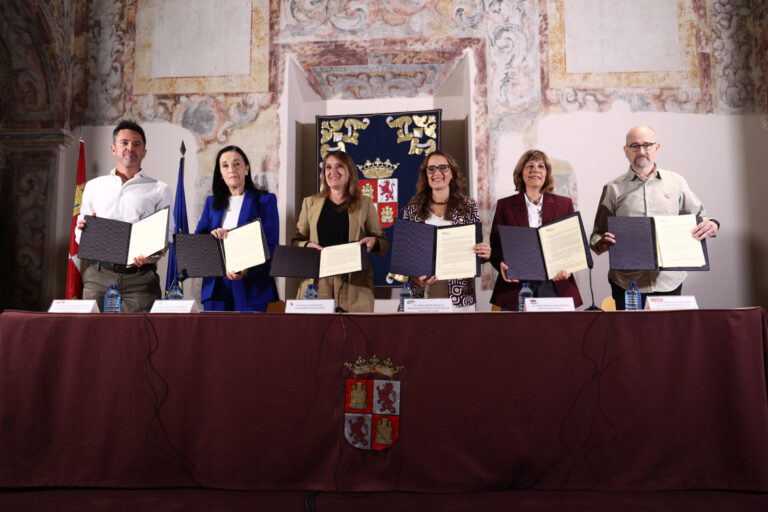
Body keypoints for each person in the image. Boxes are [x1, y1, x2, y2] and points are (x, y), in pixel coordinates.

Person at [590, 125, 719, 309]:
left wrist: (713, 225)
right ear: (626, 151)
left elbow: (702, 218)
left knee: (667, 338)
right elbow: (597, 235)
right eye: (634, 146)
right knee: (629, 337)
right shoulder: (613, 188)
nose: (641, 151)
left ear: (656, 148)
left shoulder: (676, 182)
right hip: (627, 284)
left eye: (647, 145)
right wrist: (601, 242)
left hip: (669, 282)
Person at [75, 120, 172, 312]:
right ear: (113, 148)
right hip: (98, 275)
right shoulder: (94, 186)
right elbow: (80, 233)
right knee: (92, 334)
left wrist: (150, 254)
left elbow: (167, 235)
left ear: (144, 152)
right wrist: (84, 231)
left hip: (141, 278)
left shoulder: (160, 189)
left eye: (137, 144)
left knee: (143, 337)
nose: (130, 148)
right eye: (124, 143)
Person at [291, 150, 389, 312]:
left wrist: (374, 242)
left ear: (349, 171)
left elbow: (383, 243)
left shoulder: (365, 203)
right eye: (328, 167)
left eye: (339, 166)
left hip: (352, 282)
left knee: (353, 333)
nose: (333, 172)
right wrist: (306, 245)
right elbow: (296, 241)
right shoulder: (310, 203)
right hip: (317, 281)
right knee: (317, 333)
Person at [489, 149, 583, 309]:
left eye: (541, 166)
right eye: (529, 166)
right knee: (516, 333)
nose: (535, 170)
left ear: (547, 173)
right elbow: (495, 247)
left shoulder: (564, 204)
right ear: (521, 172)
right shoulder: (505, 205)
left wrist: (568, 266)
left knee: (555, 334)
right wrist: (501, 264)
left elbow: (574, 246)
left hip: (555, 284)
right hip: (516, 285)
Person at [402, 150, 491, 310]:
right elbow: (405, 254)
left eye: (443, 167)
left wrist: (484, 254)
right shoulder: (412, 209)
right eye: (431, 169)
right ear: (425, 175)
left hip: (460, 297)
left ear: (452, 173)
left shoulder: (468, 207)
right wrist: (415, 277)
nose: (437, 173)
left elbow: (476, 252)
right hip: (421, 296)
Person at [195, 146, 278, 312]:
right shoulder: (211, 203)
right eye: (225, 165)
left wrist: (245, 268)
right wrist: (212, 236)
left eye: (236, 164)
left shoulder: (266, 200)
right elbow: (198, 243)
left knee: (249, 337)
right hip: (217, 286)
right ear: (220, 173)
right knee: (215, 337)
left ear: (246, 168)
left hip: (253, 285)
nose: (231, 169)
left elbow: (270, 244)